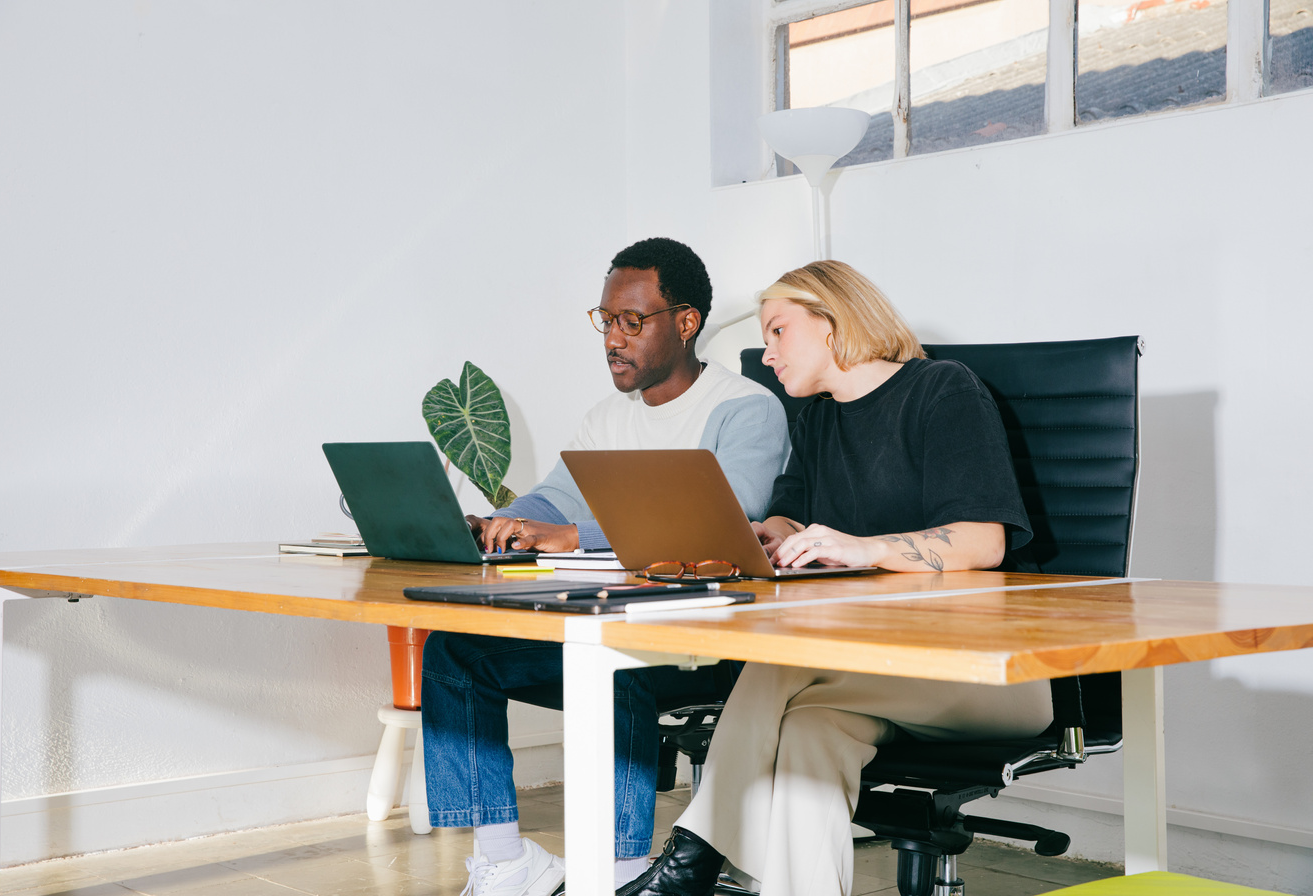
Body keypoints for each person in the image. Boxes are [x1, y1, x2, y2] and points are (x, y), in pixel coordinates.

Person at [617, 260, 1053, 896]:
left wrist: (860, 549)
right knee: (810, 734)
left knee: (777, 664)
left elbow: (985, 542)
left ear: (831, 322)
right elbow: (790, 512)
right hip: (876, 668)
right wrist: (773, 534)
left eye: (777, 332)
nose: (766, 356)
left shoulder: (941, 390)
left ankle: (692, 859)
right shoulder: (818, 419)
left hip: (987, 668)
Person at [422, 237, 791, 896]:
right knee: (455, 650)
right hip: (621, 628)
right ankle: (505, 864)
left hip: (709, 644)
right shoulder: (606, 418)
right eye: (605, 321)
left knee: (610, 656)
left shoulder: (744, 410)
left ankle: (620, 876)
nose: (612, 340)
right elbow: (551, 500)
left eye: (631, 322)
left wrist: (567, 534)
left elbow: (726, 523)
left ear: (685, 322)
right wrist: (497, 523)